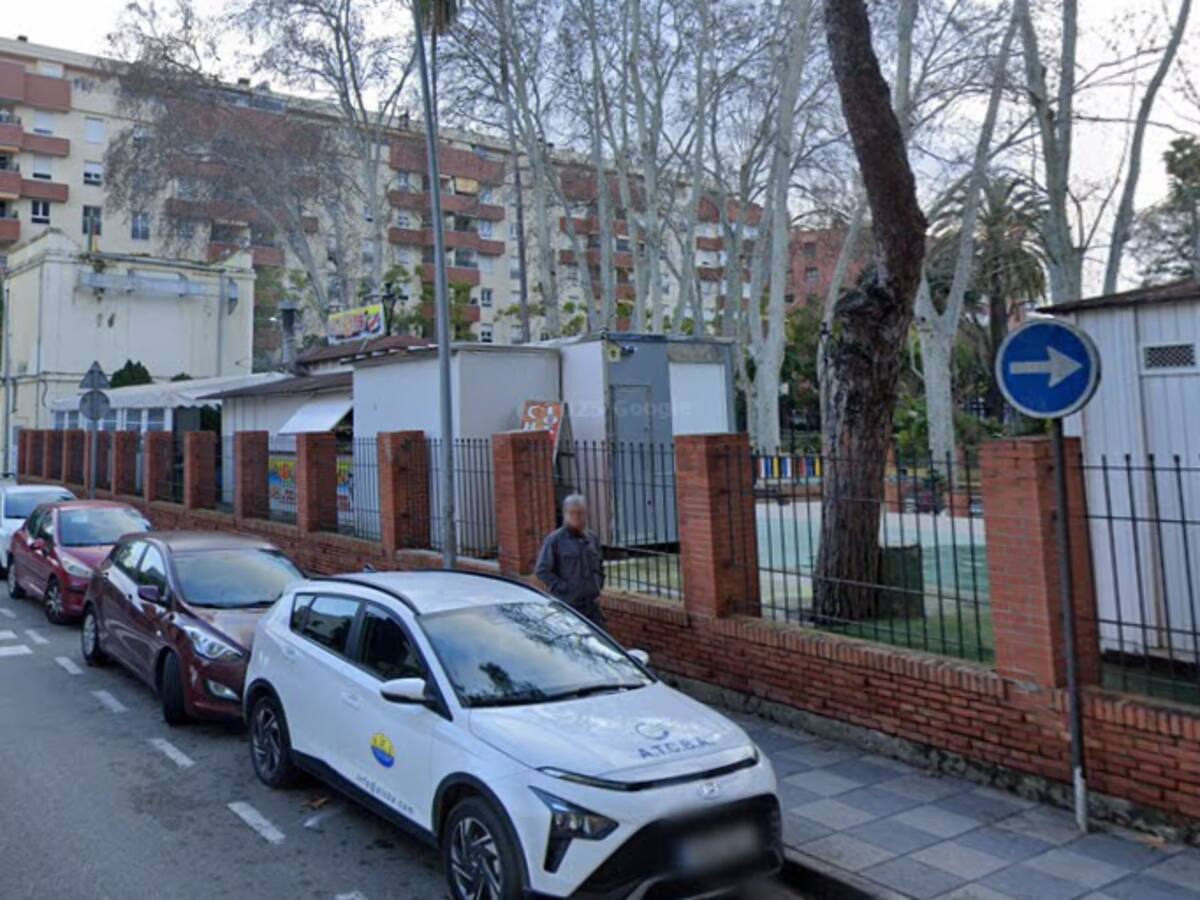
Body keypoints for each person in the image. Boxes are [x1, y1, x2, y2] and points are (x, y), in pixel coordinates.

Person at [535, 494, 606, 627]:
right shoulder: (555, 540)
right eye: (572, 513)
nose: (577, 517)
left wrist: (598, 585)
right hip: (568, 607)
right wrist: (564, 587)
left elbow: (600, 565)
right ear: (565, 515)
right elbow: (542, 570)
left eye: (580, 513)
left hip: (592, 607)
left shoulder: (592, 538)